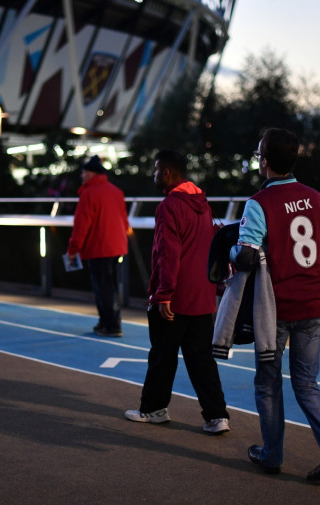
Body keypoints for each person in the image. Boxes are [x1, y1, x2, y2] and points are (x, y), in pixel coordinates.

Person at [230, 128, 320, 481]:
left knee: (268, 382)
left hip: (276, 310)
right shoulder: (315, 198)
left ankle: (272, 455)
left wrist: (226, 250)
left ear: (264, 161)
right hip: (315, 303)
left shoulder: (259, 203)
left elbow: (245, 257)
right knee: (306, 383)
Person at [124, 149, 230, 435]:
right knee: (201, 359)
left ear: (167, 172)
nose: (155, 174)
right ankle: (217, 416)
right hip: (203, 295)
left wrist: (163, 294)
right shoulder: (203, 203)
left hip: (176, 296)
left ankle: (153, 409)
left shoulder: (170, 206)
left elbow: (167, 254)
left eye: (157, 169)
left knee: (162, 355)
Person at [67, 155, 130, 337]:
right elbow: (124, 221)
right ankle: (107, 321)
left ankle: (110, 325)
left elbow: (81, 226)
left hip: (97, 247)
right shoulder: (116, 191)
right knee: (110, 285)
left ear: (91, 173)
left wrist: (73, 250)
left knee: (102, 287)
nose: (81, 176)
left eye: (84, 172)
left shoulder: (88, 194)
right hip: (116, 246)